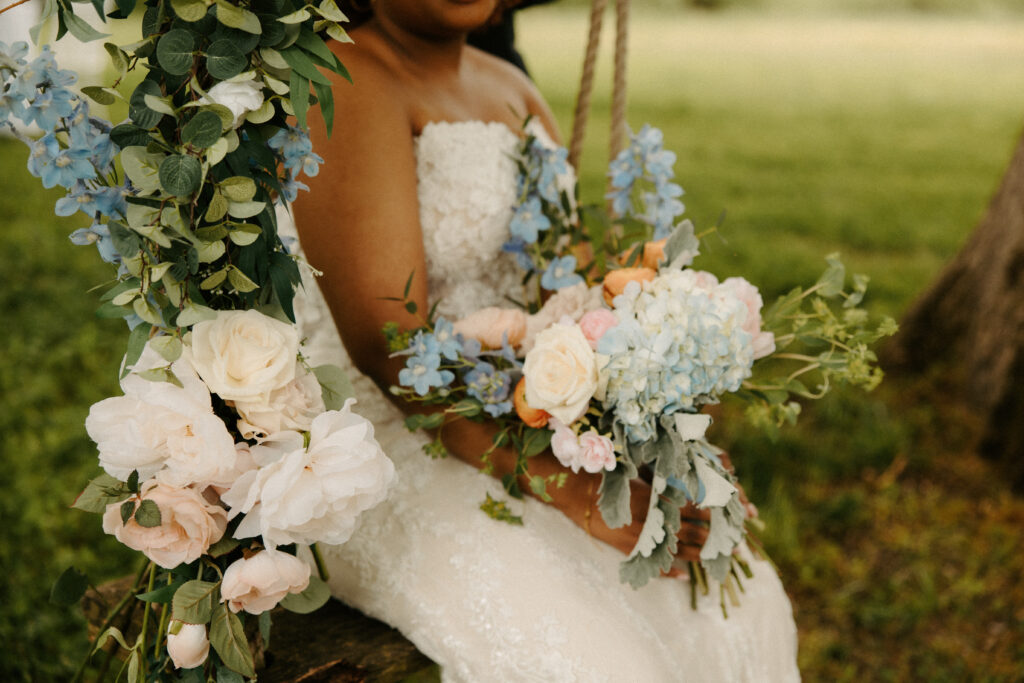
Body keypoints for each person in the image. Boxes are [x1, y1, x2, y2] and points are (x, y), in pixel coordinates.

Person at [290, 1, 800, 680]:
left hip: (525, 412)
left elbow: (579, 293)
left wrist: (654, 444)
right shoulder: (341, 77)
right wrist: (570, 488)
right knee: (595, 657)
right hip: (389, 440)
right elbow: (392, 348)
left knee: (733, 592)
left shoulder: (510, 86)